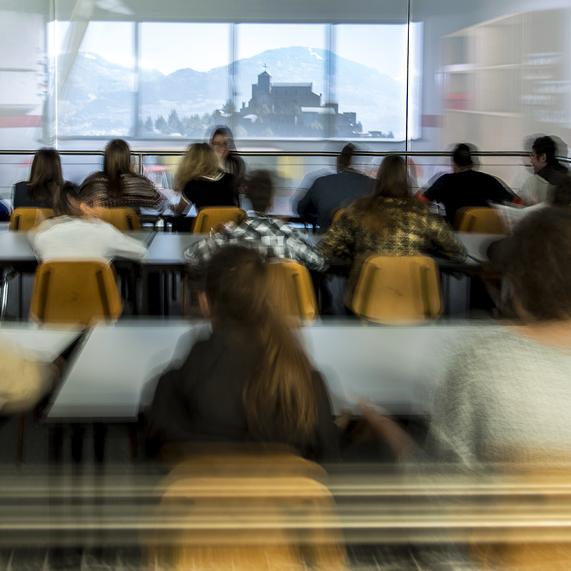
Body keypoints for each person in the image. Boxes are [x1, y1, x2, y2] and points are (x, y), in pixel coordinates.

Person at [365, 207, 571, 469]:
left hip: (496, 510)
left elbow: (441, 490)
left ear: (517, 283)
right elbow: (455, 249)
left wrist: (383, 426)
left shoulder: (481, 361)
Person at [145, 246, 338, 461]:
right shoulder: (306, 387)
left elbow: (153, 463)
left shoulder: (172, 391)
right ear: (269, 301)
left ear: (205, 302)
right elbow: (327, 464)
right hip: (281, 495)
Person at [318, 155, 467, 297]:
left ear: (379, 179)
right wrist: (429, 249)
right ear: (406, 180)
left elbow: (325, 249)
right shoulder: (422, 214)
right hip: (416, 300)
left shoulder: (358, 210)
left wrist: (349, 250)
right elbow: (457, 252)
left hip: (365, 298)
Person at [184, 170, 325, 272]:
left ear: (247, 198)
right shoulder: (288, 236)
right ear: (270, 202)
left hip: (240, 310)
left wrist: (215, 235)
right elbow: (319, 262)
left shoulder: (229, 235)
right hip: (281, 311)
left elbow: (192, 256)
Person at [30, 182, 147, 262]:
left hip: (53, 298)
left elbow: (33, 239)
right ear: (84, 206)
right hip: (98, 298)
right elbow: (141, 252)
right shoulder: (103, 232)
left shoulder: (43, 236)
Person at [421, 143, 515, 225]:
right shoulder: (488, 179)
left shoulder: (445, 180)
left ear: (454, 163)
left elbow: (421, 201)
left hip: (456, 235)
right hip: (486, 233)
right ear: (471, 164)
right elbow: (515, 201)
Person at [296, 143, 374, 232]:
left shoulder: (321, 182)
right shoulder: (374, 185)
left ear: (340, 162)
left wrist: (321, 217)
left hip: (327, 239)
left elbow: (302, 209)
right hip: (363, 242)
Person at [80, 139, 164, 210]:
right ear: (128, 159)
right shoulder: (142, 182)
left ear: (106, 159)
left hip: (99, 228)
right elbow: (160, 205)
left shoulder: (92, 182)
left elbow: (80, 207)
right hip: (133, 229)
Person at [173, 143, 237, 214]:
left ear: (190, 161)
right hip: (230, 223)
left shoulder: (192, 185)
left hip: (206, 224)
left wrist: (172, 208)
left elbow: (180, 212)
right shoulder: (231, 178)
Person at [518, 135, 568, 205]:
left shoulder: (535, 181)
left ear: (543, 157)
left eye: (533, 155)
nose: (531, 161)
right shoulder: (566, 176)